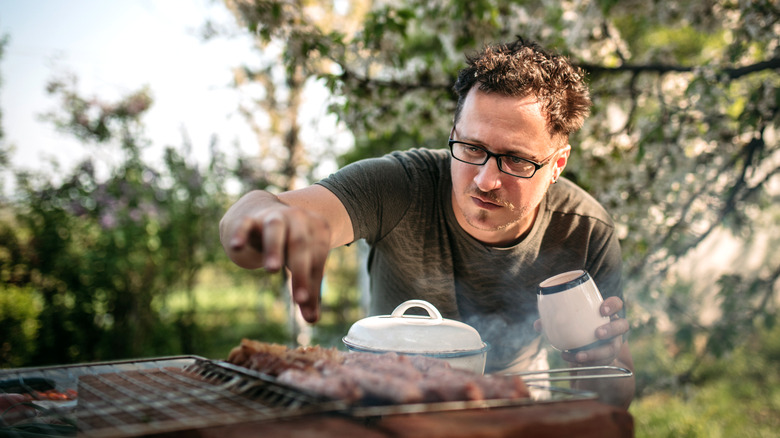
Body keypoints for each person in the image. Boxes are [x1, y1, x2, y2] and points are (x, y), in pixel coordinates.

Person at [220, 37, 635, 408]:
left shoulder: (585, 230)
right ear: (453, 133)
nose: (486, 180)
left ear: (557, 163)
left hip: (514, 404)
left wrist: (601, 362)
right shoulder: (400, 186)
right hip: (388, 401)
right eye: (471, 148)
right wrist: (266, 221)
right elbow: (256, 212)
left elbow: (614, 399)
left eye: (517, 159)